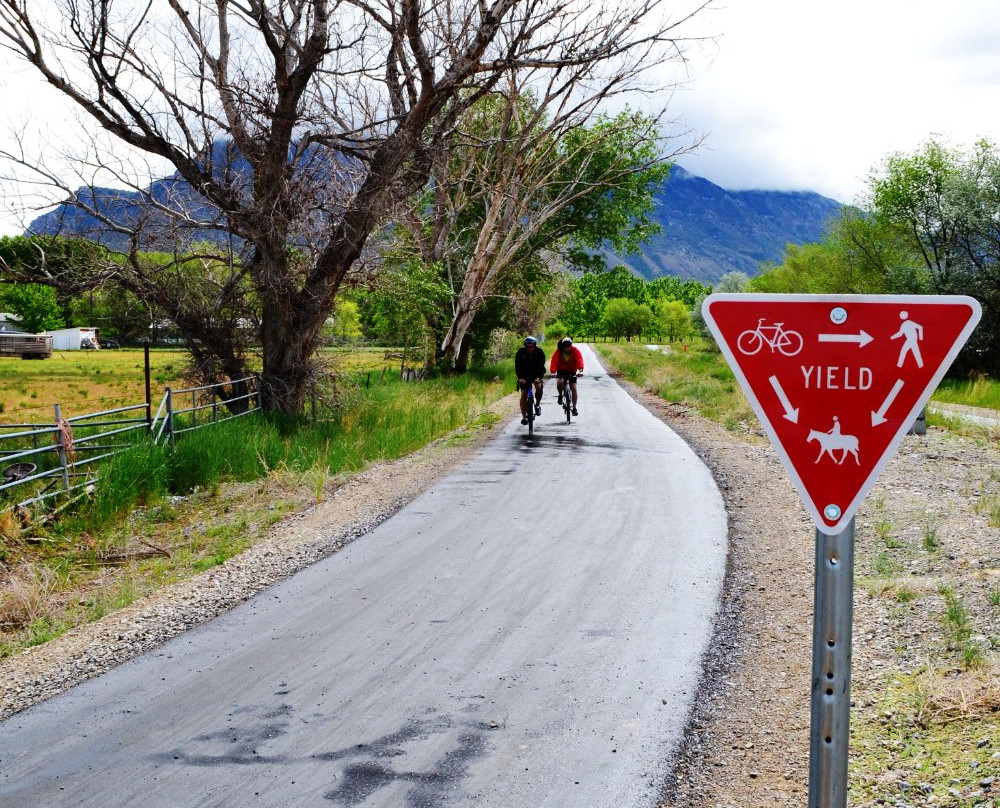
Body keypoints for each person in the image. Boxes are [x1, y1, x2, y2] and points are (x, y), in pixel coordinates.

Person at [514, 336, 546, 425]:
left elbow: (541, 366)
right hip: (524, 375)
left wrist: (539, 378)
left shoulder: (539, 352)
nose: (529, 349)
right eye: (527, 347)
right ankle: (524, 417)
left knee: (538, 387)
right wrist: (520, 378)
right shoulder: (520, 352)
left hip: (536, 373)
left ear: (535, 346)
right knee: (524, 393)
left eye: (531, 346)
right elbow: (517, 367)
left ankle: (538, 404)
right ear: (525, 346)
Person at [550, 336, 584, 416]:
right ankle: (560, 395)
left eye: (568, 346)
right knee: (560, 381)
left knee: (574, 388)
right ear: (563, 346)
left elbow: (579, 359)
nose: (567, 348)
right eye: (565, 347)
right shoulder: (559, 351)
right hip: (561, 370)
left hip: (572, 370)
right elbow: (554, 361)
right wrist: (553, 372)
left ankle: (574, 407)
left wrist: (581, 370)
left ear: (571, 345)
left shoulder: (575, 350)